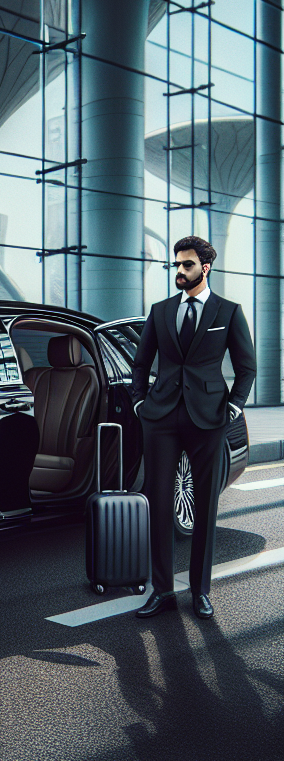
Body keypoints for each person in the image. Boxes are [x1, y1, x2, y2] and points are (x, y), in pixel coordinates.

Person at [131, 236, 256, 620]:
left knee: (205, 507)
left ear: (205, 267)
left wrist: (234, 406)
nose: (179, 272)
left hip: (209, 420)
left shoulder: (229, 312)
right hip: (161, 419)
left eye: (186, 265)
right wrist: (140, 402)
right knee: (159, 505)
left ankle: (200, 592)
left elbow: (247, 366)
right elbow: (141, 363)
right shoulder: (161, 310)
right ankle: (163, 591)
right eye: (177, 265)